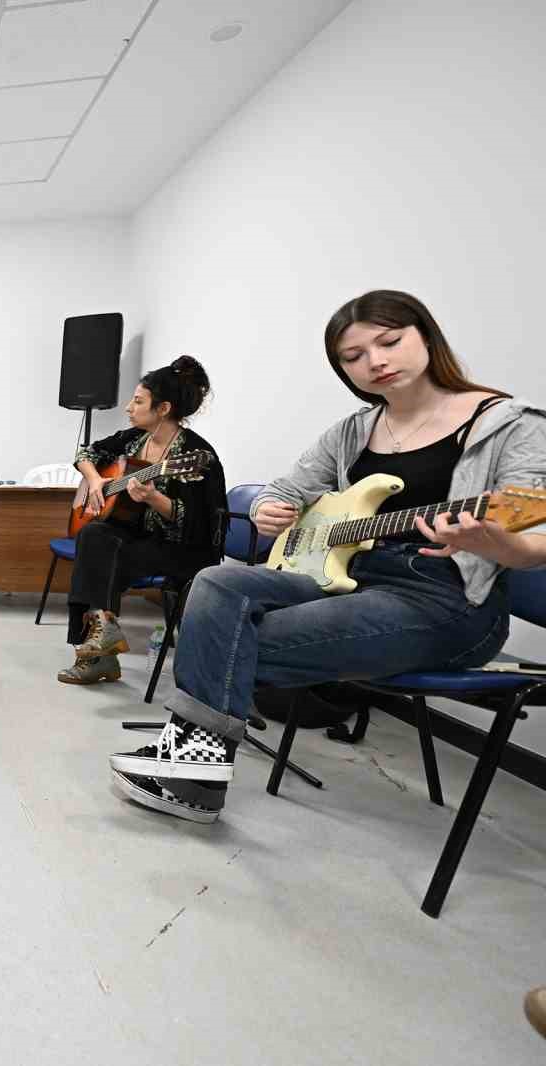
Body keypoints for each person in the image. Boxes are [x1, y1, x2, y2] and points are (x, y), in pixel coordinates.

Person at [109, 290, 546, 824]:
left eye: (390, 342)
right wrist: (274, 507)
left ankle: (192, 769)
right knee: (218, 584)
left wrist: (500, 545)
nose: (375, 362)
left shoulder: (508, 423)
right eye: (353, 356)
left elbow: (534, 544)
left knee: (231, 641)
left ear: (426, 337)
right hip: (349, 576)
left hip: (447, 597)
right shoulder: (354, 430)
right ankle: (196, 768)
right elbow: (289, 487)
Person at [60, 357, 226, 684]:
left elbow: (197, 524)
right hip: (138, 537)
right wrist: (96, 481)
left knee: (103, 555)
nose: (128, 408)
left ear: (163, 408)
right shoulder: (135, 439)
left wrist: (153, 498)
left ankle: (99, 651)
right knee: (93, 534)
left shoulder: (194, 455)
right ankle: (103, 630)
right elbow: (85, 454)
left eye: (138, 401)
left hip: (180, 547)